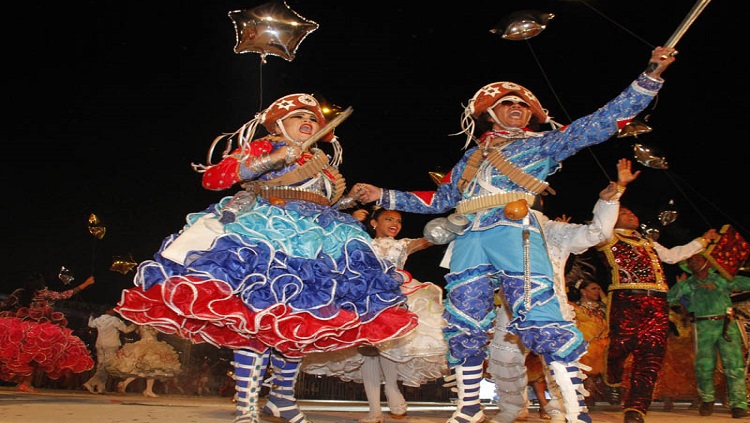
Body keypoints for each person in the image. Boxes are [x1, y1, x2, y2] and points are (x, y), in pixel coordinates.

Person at [115, 93, 418, 423]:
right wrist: (270, 160)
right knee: (258, 317)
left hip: (320, 239)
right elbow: (214, 179)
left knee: (298, 321)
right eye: (298, 116)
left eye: (313, 118)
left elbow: (317, 201)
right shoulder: (265, 146)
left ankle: (282, 400)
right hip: (269, 231)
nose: (308, 122)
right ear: (279, 124)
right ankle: (246, 403)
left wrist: (348, 202)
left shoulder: (322, 162)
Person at [487, 158, 638, 423]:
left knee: (558, 356)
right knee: (502, 355)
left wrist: (609, 202)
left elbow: (597, 233)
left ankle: (563, 407)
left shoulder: (552, 229)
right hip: (510, 310)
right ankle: (512, 407)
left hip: (552, 305)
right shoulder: (496, 232)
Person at [303, 208, 449, 423]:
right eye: (388, 219)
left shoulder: (403, 244)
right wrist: (351, 219)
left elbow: (431, 239)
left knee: (385, 346)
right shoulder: (360, 241)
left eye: (398, 221)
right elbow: (334, 236)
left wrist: (451, 225)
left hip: (393, 297)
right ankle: (374, 411)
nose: (395, 224)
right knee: (368, 351)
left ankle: (391, 390)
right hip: (363, 297)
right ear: (374, 223)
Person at [596, 208, 720, 423]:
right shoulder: (606, 237)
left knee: (651, 353)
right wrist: (613, 196)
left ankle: (636, 408)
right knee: (623, 342)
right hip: (626, 298)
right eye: (624, 213)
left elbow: (673, 256)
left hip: (657, 300)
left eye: (634, 213)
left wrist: (703, 241)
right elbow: (597, 225)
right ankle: (612, 378)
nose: (633, 215)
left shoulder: (647, 242)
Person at [666, 253, 750, 418]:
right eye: (690, 260)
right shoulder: (687, 285)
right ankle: (707, 399)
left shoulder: (722, 279)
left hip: (726, 324)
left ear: (708, 262)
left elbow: (747, 283)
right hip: (702, 326)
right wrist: (684, 298)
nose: (693, 262)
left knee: (734, 365)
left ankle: (738, 405)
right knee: (704, 366)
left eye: (698, 259)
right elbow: (668, 298)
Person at [0, 273, 95, 392]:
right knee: (35, 358)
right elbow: (65, 295)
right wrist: (85, 284)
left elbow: (4, 305)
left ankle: (21, 380)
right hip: (39, 331)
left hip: (19, 329)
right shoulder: (45, 293)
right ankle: (25, 382)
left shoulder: (20, 292)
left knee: (19, 356)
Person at [107, 324, 182, 397]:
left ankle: (127, 384)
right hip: (151, 345)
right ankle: (147, 390)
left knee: (145, 370)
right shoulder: (153, 323)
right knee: (152, 369)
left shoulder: (138, 323)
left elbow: (127, 330)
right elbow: (155, 333)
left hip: (142, 345)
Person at [82, 307, 137, 394]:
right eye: (112, 310)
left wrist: (91, 317)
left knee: (101, 365)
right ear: (107, 311)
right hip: (111, 344)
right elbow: (126, 330)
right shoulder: (114, 320)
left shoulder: (98, 319)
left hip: (100, 344)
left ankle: (100, 387)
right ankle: (91, 383)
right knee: (107, 365)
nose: (114, 311)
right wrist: (135, 324)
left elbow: (90, 325)